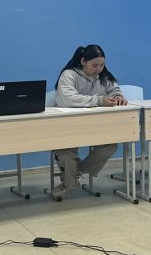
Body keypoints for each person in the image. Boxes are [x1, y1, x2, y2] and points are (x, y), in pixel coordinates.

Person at [52, 44, 127, 197]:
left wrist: (118, 96)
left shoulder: (104, 76)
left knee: (110, 145)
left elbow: (114, 89)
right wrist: (99, 100)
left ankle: (74, 174)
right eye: (94, 65)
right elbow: (67, 99)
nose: (98, 69)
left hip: (94, 125)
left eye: (102, 65)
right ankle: (70, 182)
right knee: (64, 150)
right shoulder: (69, 74)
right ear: (83, 61)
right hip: (68, 124)